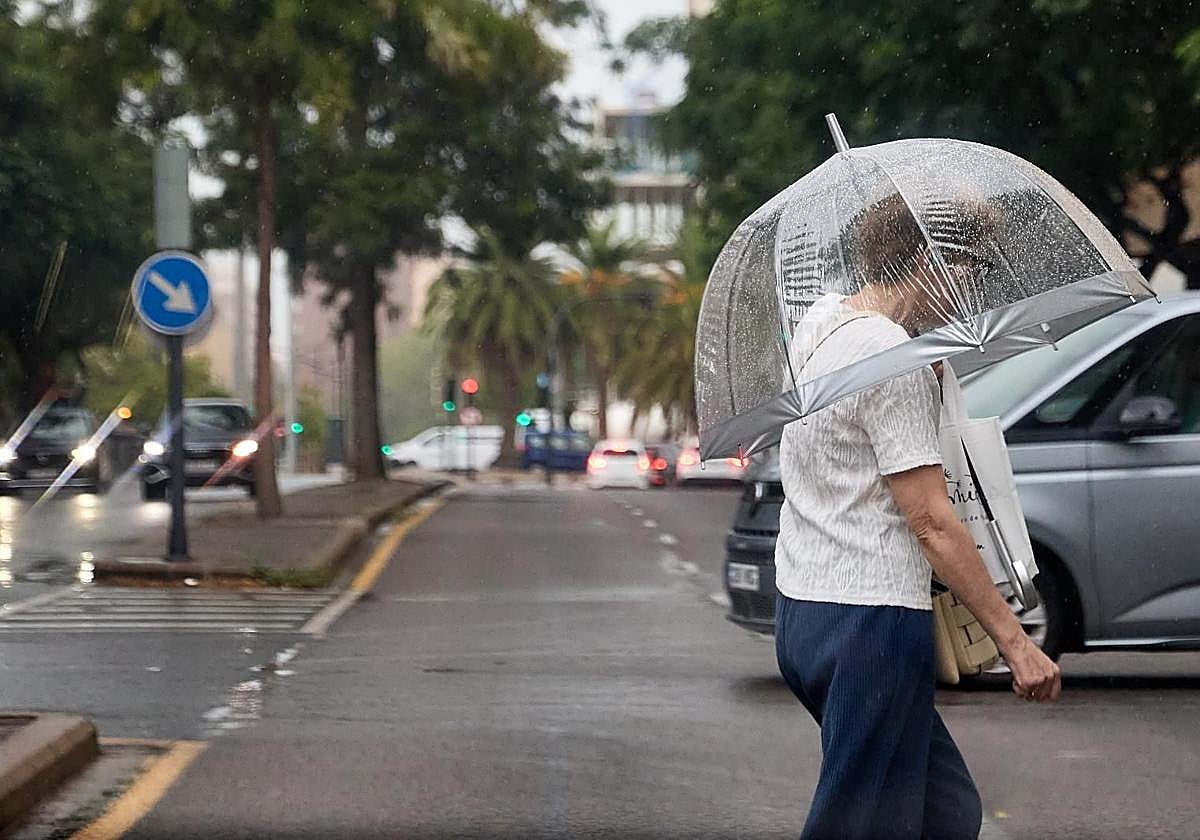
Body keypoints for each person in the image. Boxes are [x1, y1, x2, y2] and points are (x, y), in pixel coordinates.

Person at [774, 194, 1061, 840]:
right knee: (858, 823)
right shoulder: (887, 355)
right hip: (867, 624)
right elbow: (930, 521)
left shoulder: (823, 326)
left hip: (804, 611)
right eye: (973, 265)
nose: (976, 283)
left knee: (944, 811)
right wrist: (1017, 645)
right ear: (932, 259)